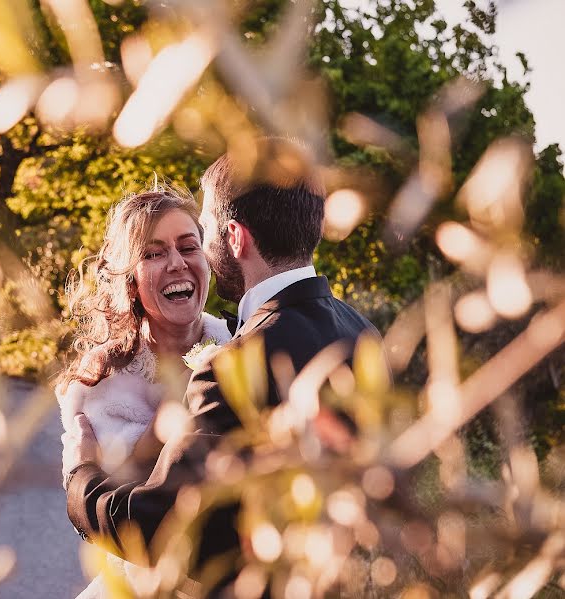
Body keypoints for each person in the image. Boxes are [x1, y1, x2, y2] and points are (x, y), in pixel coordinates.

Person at [62, 138, 381, 597]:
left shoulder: (236, 361)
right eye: (153, 253)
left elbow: (166, 529)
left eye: (201, 236)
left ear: (234, 238)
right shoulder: (363, 332)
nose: (191, 257)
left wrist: (81, 479)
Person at [56, 187, 232, 598]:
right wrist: (175, 416)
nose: (176, 263)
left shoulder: (239, 344)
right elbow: (110, 506)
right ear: (130, 278)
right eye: (153, 254)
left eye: (189, 246)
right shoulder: (100, 380)